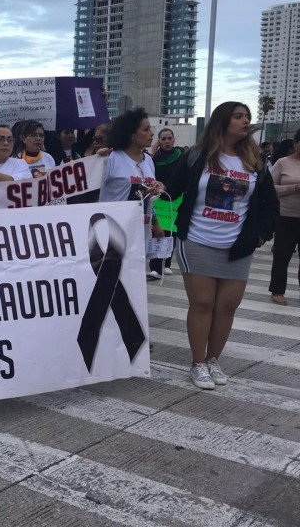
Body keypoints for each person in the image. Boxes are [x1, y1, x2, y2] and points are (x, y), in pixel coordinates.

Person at [167, 102, 278, 390]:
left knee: (227, 306)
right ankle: (197, 362)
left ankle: (213, 359)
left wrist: (259, 237)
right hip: (197, 242)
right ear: (222, 121)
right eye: (238, 116)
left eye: (247, 117)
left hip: (238, 247)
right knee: (202, 304)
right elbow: (171, 188)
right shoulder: (196, 156)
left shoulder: (255, 161)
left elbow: (270, 206)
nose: (245, 121)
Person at [100, 108, 165, 266]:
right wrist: (94, 159)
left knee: (136, 285)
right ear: (131, 135)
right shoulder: (111, 158)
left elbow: (148, 197)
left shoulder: (148, 160)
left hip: (140, 234)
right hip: (114, 234)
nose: (151, 133)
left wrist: (156, 222)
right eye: (146, 129)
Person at [268, 128, 300, 305]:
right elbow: (270, 188)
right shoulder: (283, 163)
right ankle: (277, 290)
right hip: (286, 216)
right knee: (282, 255)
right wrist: (293, 188)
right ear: (295, 144)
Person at [148, 127, 184, 279]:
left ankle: (166, 263)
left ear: (174, 140)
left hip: (174, 199)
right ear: (159, 141)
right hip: (158, 199)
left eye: (169, 138)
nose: (167, 141)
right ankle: (156, 266)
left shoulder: (181, 156)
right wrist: (152, 151)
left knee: (170, 232)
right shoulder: (154, 158)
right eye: (163, 139)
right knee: (158, 232)